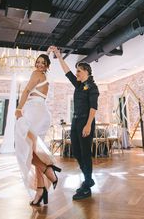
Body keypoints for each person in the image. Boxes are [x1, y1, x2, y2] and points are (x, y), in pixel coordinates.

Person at [50, 46, 99, 200]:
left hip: (86, 121)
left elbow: (93, 108)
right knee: (77, 152)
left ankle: (87, 184)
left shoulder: (92, 87)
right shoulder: (78, 84)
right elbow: (67, 72)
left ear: (86, 72)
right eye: (77, 71)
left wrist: (88, 125)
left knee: (85, 153)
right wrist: (59, 55)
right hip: (76, 120)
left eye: (79, 71)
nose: (76, 73)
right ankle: (88, 179)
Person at [14, 53, 61, 206]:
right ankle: (41, 191)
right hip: (41, 113)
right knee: (35, 152)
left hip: (34, 112)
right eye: (38, 62)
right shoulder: (45, 78)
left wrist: (19, 108)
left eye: (43, 62)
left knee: (26, 149)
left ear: (47, 66)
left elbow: (27, 91)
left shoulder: (36, 74)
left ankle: (49, 171)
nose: (40, 64)